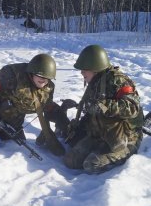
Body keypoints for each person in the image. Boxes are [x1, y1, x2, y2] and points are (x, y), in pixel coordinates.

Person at [62, 45, 145, 174]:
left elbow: (132, 108)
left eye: (85, 69)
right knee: (71, 161)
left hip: (124, 137)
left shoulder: (118, 81)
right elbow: (92, 111)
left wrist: (104, 105)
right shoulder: (95, 82)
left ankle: (129, 150)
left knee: (91, 164)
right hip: (102, 133)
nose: (82, 73)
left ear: (95, 69)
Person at [0, 53, 65, 156]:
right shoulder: (11, 76)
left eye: (47, 78)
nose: (44, 81)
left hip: (11, 122)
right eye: (40, 76)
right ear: (32, 72)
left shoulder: (47, 89)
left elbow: (48, 107)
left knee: (17, 148)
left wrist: (60, 123)